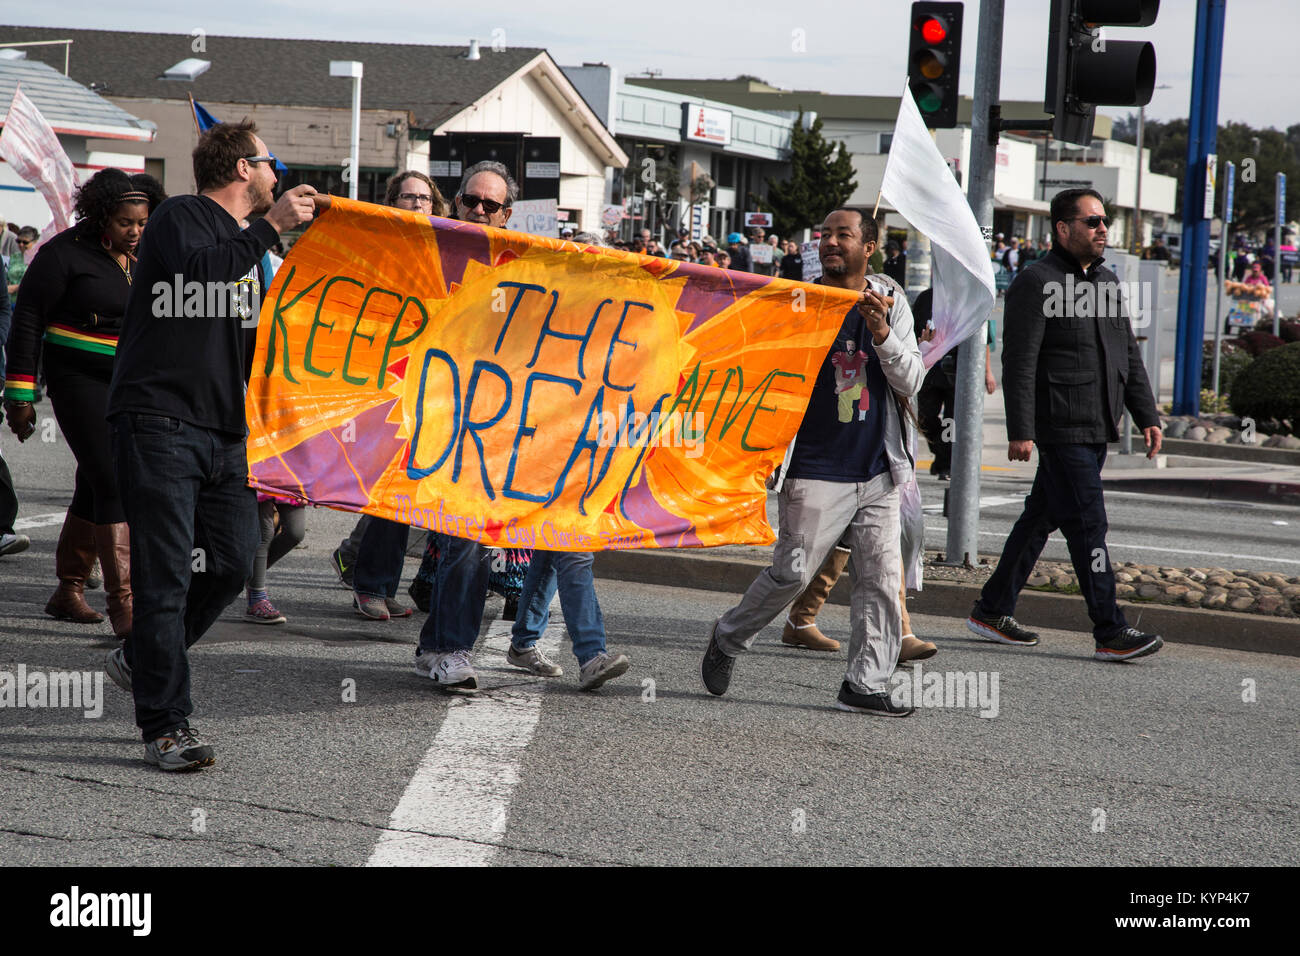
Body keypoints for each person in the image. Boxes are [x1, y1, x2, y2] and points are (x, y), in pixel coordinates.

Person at [104, 121, 315, 770]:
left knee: (226, 563)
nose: (277, 174)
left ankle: (143, 657)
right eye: (269, 162)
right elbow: (199, 281)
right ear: (242, 169)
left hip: (225, 434)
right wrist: (270, 229)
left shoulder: (249, 246)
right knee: (166, 579)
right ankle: (167, 726)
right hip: (161, 423)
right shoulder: (181, 219)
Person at [700, 207, 925, 716]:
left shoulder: (890, 301)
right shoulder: (797, 299)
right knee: (791, 575)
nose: (829, 243)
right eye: (824, 235)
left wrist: (883, 333)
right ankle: (729, 635)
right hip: (816, 467)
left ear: (868, 247)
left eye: (843, 235)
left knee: (880, 582)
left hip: (879, 469)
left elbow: (911, 381)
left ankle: (864, 684)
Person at [967, 188, 1164, 662]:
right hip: (1061, 426)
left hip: (1097, 424)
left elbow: (1127, 356)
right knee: (1088, 524)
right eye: (1092, 221)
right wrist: (1020, 429)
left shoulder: (1108, 282)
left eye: (1104, 220)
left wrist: (1147, 414)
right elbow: (1019, 361)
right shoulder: (1035, 282)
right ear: (1062, 228)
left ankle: (991, 609)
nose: (1102, 229)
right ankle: (1110, 628)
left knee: (1042, 516)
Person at [4, 170, 167, 637]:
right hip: (76, 380)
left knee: (94, 481)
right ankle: (125, 608)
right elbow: (28, 323)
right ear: (100, 216)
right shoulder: (61, 255)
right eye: (124, 223)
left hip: (131, 383)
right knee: (112, 477)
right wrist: (19, 395)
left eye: (141, 222)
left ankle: (67, 590)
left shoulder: (148, 256)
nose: (134, 231)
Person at [412, 159, 519, 694]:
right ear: (455, 202)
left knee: (470, 539)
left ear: (507, 214)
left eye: (490, 204)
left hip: (493, 429)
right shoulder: (422, 252)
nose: (478, 210)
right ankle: (444, 645)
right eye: (469, 201)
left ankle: (444, 646)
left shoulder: (526, 268)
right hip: (430, 421)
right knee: (460, 540)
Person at [344, 170, 449, 621]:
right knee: (388, 490)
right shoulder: (379, 248)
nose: (416, 204)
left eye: (424, 198)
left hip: (433, 387)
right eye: (407, 196)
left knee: (407, 495)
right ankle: (366, 582)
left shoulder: (446, 248)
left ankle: (381, 583)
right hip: (386, 384)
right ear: (391, 202)